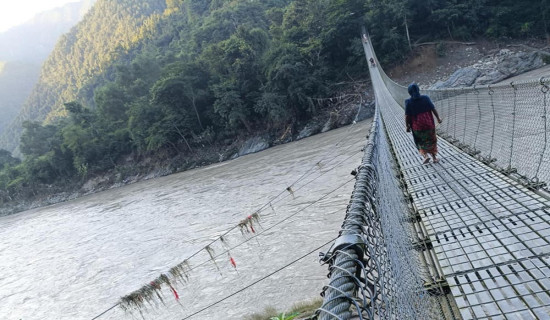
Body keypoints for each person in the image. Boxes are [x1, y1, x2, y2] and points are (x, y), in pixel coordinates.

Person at [405, 83, 442, 164]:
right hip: (429, 125)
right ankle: (434, 158)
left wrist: (407, 126)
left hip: (417, 127)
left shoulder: (408, 102)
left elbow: (407, 116)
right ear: (418, 90)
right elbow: (433, 109)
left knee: (419, 141)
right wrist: (438, 118)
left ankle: (425, 156)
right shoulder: (425, 98)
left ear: (409, 92)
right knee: (431, 140)